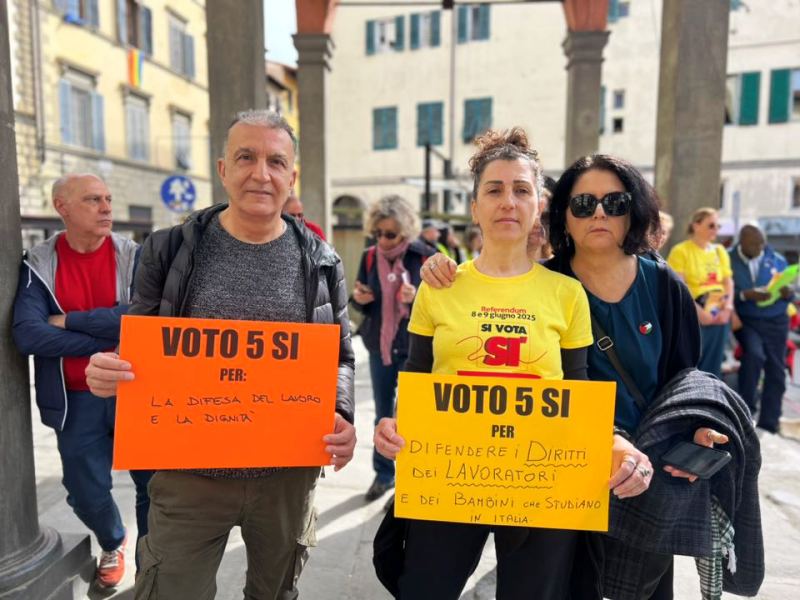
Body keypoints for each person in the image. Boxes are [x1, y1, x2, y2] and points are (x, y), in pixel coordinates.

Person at [424, 154, 735, 599]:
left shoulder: (664, 285)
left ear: (635, 211)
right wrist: (440, 271)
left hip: (637, 475)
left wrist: (699, 430)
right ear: (563, 217)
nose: (600, 213)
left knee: (639, 588)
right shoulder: (540, 286)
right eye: (584, 203)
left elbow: (687, 380)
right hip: (554, 475)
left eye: (615, 201)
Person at [84, 110, 356, 600]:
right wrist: (111, 369)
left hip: (285, 480)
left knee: (274, 593)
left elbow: (340, 356)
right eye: (245, 157)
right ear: (222, 168)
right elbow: (141, 343)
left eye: (276, 161)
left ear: (291, 176)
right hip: (189, 476)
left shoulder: (322, 260)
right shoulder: (169, 250)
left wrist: (341, 413)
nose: (261, 173)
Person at [374, 129, 653, 600]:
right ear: (475, 206)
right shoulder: (439, 287)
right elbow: (417, 379)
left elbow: (578, 394)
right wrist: (393, 426)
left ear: (538, 204)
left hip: (538, 480)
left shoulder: (566, 294)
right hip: (451, 477)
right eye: (495, 190)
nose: (508, 201)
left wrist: (619, 449)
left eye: (521, 190)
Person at [12, 173, 151, 589]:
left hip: (136, 390)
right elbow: (27, 334)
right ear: (62, 207)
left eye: (108, 198)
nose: (107, 207)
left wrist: (71, 322)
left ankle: (152, 559)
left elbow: (145, 319)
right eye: (94, 200)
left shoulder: (135, 256)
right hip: (75, 398)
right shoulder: (38, 264)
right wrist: (106, 334)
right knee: (84, 490)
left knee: (155, 486)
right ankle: (113, 540)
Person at [350, 195, 434, 502]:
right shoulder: (370, 256)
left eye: (390, 234)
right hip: (380, 346)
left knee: (412, 418)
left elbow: (444, 306)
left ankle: (411, 483)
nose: (383, 240)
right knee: (382, 414)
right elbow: (360, 294)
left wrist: (418, 298)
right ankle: (383, 475)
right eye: (378, 233)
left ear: (406, 231)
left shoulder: (425, 256)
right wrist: (360, 298)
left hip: (416, 347)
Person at [730, 224, 793, 433]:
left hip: (776, 320)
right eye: (754, 244)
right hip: (748, 321)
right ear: (742, 242)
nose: (759, 248)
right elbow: (728, 291)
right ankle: (746, 415)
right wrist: (746, 295)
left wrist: (788, 292)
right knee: (754, 357)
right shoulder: (729, 259)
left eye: (761, 243)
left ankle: (770, 422)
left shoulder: (777, 259)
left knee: (776, 369)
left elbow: (790, 291)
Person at [667, 208, 734, 378]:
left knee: (714, 364)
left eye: (718, 226)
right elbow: (680, 286)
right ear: (696, 225)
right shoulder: (681, 251)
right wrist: (698, 312)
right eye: (711, 225)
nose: (715, 230)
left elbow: (728, 282)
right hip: (694, 312)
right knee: (692, 363)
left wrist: (727, 308)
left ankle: (711, 402)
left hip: (719, 312)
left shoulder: (720, 251)